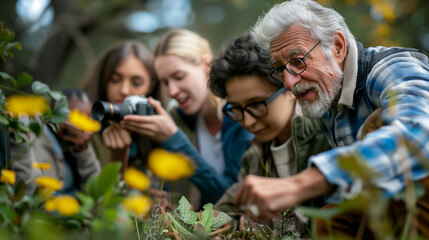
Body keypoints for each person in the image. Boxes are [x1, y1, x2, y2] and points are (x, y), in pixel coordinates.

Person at [232, 0, 429, 237]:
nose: (288, 82)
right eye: (280, 68)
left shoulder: (390, 68)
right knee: (332, 222)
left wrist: (300, 184)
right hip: (393, 203)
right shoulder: (326, 98)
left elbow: (421, 132)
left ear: (337, 47)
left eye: (298, 61)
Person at [209, 33, 331, 236]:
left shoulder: (327, 138)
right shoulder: (254, 155)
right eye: (236, 108)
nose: (247, 121)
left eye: (257, 105)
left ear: (290, 87)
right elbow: (228, 208)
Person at [116, 29, 253, 209]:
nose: (172, 91)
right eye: (165, 82)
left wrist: (174, 138)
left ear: (206, 65)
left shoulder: (242, 117)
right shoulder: (179, 119)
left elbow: (232, 200)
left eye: (179, 77)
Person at [80, 40, 164, 171]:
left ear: (151, 86)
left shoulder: (162, 131)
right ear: (103, 80)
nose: (124, 90)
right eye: (115, 80)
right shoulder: (83, 130)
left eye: (136, 83)